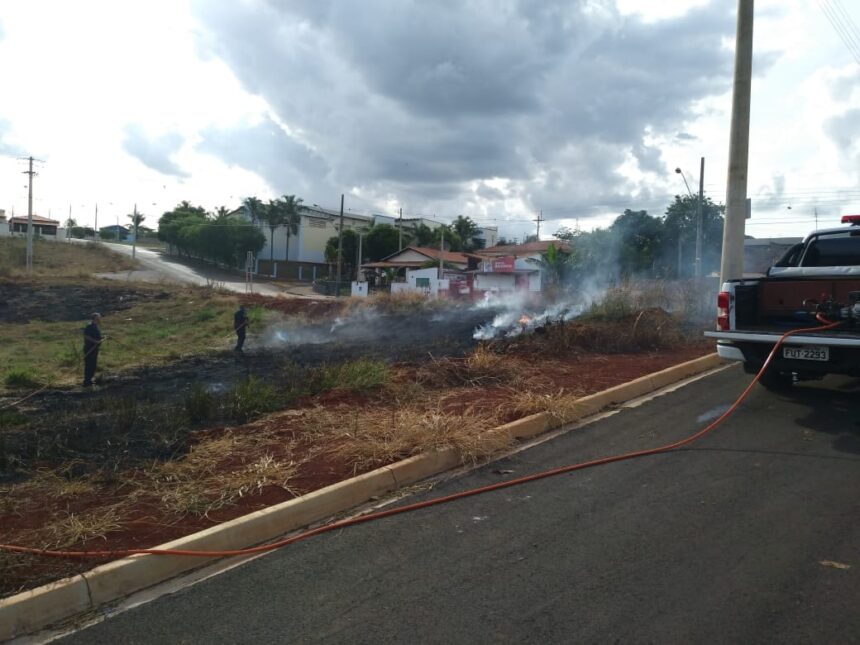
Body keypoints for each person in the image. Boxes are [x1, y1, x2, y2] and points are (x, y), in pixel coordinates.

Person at [82, 313, 103, 387]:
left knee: (93, 365)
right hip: (89, 348)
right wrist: (95, 341)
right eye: (98, 318)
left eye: (99, 318)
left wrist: (102, 338)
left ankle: (90, 380)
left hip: (95, 349)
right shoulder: (89, 326)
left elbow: (97, 336)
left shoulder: (96, 326)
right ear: (94, 318)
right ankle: (86, 381)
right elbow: (86, 336)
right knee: (89, 365)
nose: (99, 319)